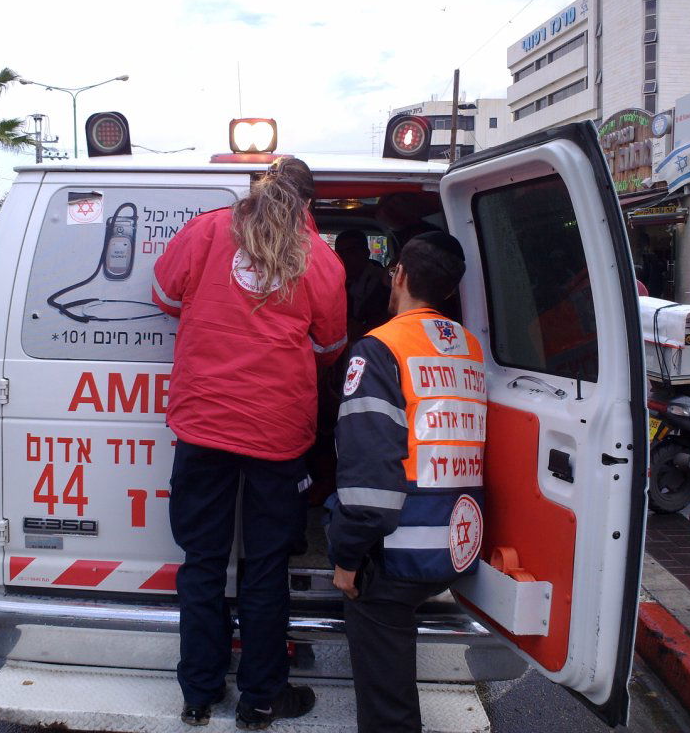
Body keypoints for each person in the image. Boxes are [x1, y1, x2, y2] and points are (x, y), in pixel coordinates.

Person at [152, 156, 347, 729]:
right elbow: (332, 344)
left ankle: (198, 694)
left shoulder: (208, 230)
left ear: (257, 189)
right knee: (264, 567)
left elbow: (164, 295)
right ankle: (262, 698)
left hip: (203, 423)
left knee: (202, 562)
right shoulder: (321, 260)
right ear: (310, 206)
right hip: (276, 433)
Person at [326, 231, 486, 733]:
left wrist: (348, 558)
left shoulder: (379, 349)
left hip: (398, 553)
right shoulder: (470, 346)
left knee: (387, 708)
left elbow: (370, 479)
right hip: (457, 544)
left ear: (400, 276)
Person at [333, 229, 390, 338]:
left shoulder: (382, 284)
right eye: (340, 253)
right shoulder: (331, 281)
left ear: (366, 253)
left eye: (351, 252)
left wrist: (363, 329)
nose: (345, 258)